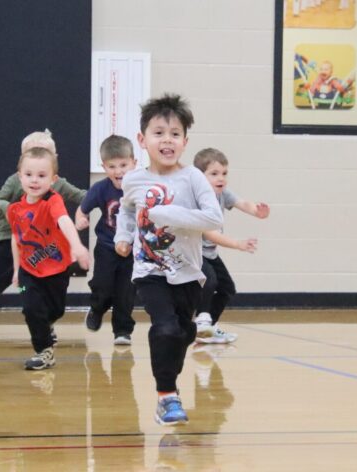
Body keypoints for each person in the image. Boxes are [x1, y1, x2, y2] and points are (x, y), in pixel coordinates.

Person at [113, 94, 222, 426]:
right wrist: (123, 236)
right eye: (159, 132)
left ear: (185, 141)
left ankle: (170, 373)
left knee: (182, 331)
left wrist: (170, 215)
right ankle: (167, 397)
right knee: (164, 328)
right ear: (142, 139)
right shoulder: (133, 179)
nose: (167, 140)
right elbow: (128, 211)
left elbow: (213, 218)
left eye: (175, 133)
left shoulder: (193, 178)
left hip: (188, 272)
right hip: (149, 270)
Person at [0, 130, 86, 326]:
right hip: (8, 238)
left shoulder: (58, 184)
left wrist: (104, 197)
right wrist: (10, 209)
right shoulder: (15, 181)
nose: (37, 165)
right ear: (22, 162)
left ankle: (43, 323)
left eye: (44, 155)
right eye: (32, 156)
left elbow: (82, 196)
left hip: (41, 245)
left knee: (41, 284)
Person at [8, 146, 90, 370]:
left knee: (55, 311)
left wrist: (77, 246)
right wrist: (16, 270)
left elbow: (64, 221)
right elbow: (16, 240)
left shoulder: (53, 201)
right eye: (29, 175)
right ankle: (44, 351)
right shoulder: (14, 210)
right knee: (30, 308)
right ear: (20, 176)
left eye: (42, 176)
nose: (35, 180)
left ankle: (46, 325)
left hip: (56, 270)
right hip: (28, 271)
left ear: (53, 179)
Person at [192, 148, 269, 344]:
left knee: (227, 288)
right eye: (214, 174)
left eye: (224, 173)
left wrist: (258, 212)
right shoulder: (196, 199)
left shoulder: (222, 193)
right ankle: (201, 321)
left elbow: (242, 203)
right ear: (199, 177)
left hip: (209, 252)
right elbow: (209, 233)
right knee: (209, 280)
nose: (221, 178)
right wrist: (237, 244)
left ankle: (208, 328)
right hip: (193, 252)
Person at [75, 135, 137, 345]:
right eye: (112, 166)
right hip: (106, 247)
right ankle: (97, 308)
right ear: (103, 167)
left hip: (132, 250)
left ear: (134, 163)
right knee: (103, 286)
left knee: (126, 291)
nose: (118, 171)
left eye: (123, 165)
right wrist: (80, 219)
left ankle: (122, 330)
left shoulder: (141, 187)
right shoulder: (100, 189)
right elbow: (82, 210)